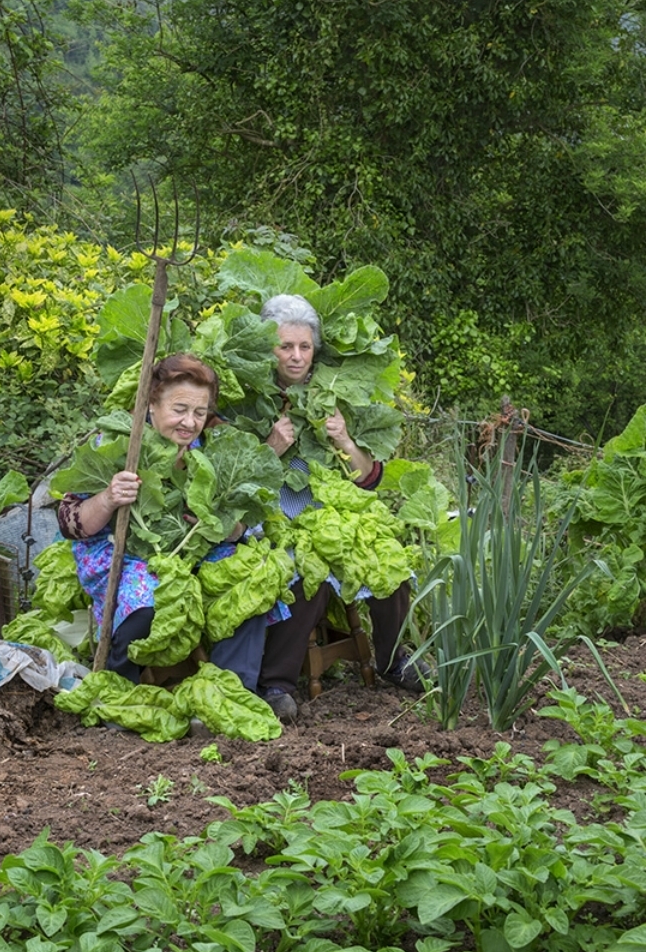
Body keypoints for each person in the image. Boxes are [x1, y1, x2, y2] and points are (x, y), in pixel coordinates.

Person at [255, 294, 424, 724]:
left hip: (330, 509)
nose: (296, 356)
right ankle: (276, 683)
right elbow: (236, 478)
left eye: (305, 347)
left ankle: (391, 659)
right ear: (267, 348)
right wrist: (271, 449)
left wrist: (345, 440)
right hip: (272, 515)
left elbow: (367, 478)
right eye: (285, 346)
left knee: (388, 560)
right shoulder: (246, 397)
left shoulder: (333, 393)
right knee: (306, 568)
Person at [57, 353, 268, 695]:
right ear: (151, 403)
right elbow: (71, 523)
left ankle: (230, 693)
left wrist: (224, 525)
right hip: (128, 555)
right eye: (179, 409)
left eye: (200, 413)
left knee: (249, 588)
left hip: (195, 553)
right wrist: (109, 498)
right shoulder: (117, 441)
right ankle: (121, 692)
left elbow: (249, 527)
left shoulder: (214, 447)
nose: (190, 422)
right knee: (144, 606)